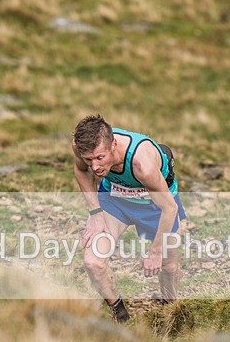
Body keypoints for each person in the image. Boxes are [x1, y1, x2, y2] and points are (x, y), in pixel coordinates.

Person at [72, 115, 185, 323]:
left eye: (100, 158)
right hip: (115, 200)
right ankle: (120, 315)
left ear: (113, 144)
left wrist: (156, 251)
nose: (95, 167)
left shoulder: (142, 163)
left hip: (155, 205)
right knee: (92, 262)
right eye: (89, 159)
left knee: (168, 266)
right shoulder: (80, 148)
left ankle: (171, 310)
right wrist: (95, 214)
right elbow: (80, 171)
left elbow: (169, 207)